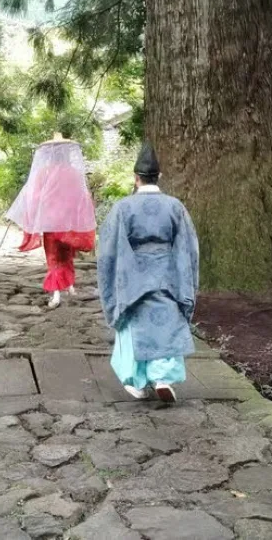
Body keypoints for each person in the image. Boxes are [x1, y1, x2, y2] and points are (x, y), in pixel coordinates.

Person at [96, 140, 199, 403]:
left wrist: (121, 277)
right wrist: (182, 276)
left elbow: (109, 247)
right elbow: (188, 245)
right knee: (166, 324)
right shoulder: (175, 206)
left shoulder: (123, 207)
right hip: (168, 275)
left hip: (134, 277)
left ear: (136, 178)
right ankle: (163, 378)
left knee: (133, 326)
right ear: (159, 176)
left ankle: (137, 384)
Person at [5, 134, 96, 309]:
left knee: (53, 257)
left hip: (50, 223)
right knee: (66, 255)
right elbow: (80, 197)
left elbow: (35, 197)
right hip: (68, 223)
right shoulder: (74, 173)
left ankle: (56, 294)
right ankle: (69, 286)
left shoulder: (42, 173)